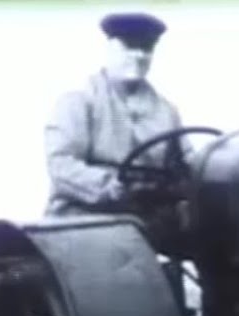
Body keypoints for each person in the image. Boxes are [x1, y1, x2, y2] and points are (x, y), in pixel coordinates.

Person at [42, 11, 194, 217]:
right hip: (86, 215)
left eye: (147, 48)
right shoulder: (79, 100)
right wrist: (113, 188)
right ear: (111, 47)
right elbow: (62, 165)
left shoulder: (167, 112)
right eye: (130, 46)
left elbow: (186, 164)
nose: (139, 55)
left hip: (148, 217)